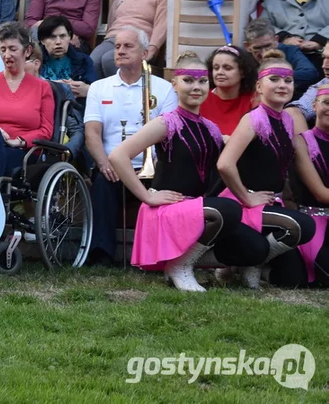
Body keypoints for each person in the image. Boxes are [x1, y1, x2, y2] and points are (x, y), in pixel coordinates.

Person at [107, 52, 269, 292]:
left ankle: (181, 262)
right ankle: (180, 266)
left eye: (202, 81)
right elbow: (118, 156)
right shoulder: (166, 123)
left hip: (200, 211)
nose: (196, 87)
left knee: (258, 249)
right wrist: (147, 196)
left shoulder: (211, 129)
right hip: (168, 210)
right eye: (188, 81)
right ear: (174, 84)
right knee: (229, 209)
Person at [214, 52, 317, 288]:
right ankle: (223, 263)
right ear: (259, 86)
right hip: (244, 206)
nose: (282, 85)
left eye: (288, 80)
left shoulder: (287, 120)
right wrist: (247, 197)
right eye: (275, 79)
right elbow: (225, 163)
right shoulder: (254, 119)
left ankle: (252, 265)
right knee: (303, 226)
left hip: (271, 206)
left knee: (292, 279)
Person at [84, 26, 178, 265]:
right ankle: (101, 255)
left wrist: (157, 162)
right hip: (112, 168)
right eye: (117, 46)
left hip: (153, 168)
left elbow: (170, 132)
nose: (120, 51)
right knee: (102, 185)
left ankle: (157, 256)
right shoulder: (98, 88)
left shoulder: (163, 88)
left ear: (144, 53)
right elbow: (92, 134)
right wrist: (104, 163)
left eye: (128, 46)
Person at [0, 23, 54, 178]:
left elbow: (46, 131)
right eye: (3, 49)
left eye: (12, 49)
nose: (6, 55)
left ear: (27, 51)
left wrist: (20, 141)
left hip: (22, 152)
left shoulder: (42, 87)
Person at [90, 0, 167, 77]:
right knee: (92, 62)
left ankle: (122, 94)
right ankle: (102, 95)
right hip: (113, 39)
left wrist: (152, 48)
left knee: (109, 60)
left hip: (137, 40)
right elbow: (112, 21)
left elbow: (161, 24)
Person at [292, 86, 329, 286]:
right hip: (313, 221)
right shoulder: (302, 142)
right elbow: (321, 194)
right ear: (314, 105)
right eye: (327, 103)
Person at [262, 0, 329, 65]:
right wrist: (285, 38)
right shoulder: (272, 3)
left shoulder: (327, 0)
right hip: (285, 55)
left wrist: (319, 41)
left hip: (322, 55)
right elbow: (263, 25)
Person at [243, 18, 320, 96]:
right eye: (257, 48)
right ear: (247, 46)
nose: (264, 53)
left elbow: (310, 73)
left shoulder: (290, 51)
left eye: (268, 46)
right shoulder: (244, 59)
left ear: (276, 40)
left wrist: (275, 74)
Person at [199, 46, 259, 137]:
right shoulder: (201, 97)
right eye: (216, 68)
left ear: (242, 72)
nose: (219, 72)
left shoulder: (253, 99)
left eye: (227, 68)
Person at [37, 15, 97, 100]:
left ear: (70, 37)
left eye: (62, 36)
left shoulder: (84, 60)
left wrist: (88, 89)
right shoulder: (33, 61)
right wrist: (54, 86)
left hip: (74, 108)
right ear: (42, 40)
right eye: (52, 37)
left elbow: (97, 91)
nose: (58, 42)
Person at [288, 48, 329, 125]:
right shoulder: (324, 84)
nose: (324, 66)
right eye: (324, 58)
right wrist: (306, 137)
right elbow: (295, 111)